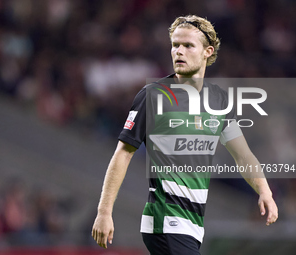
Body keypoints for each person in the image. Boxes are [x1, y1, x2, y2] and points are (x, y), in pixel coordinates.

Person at [91, 15, 278, 255]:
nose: (179, 51)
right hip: (165, 221)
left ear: (207, 52)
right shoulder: (153, 96)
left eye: (188, 45)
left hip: (194, 226)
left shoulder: (219, 100)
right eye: (175, 45)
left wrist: (265, 191)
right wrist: (104, 212)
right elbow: (123, 154)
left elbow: (243, 155)